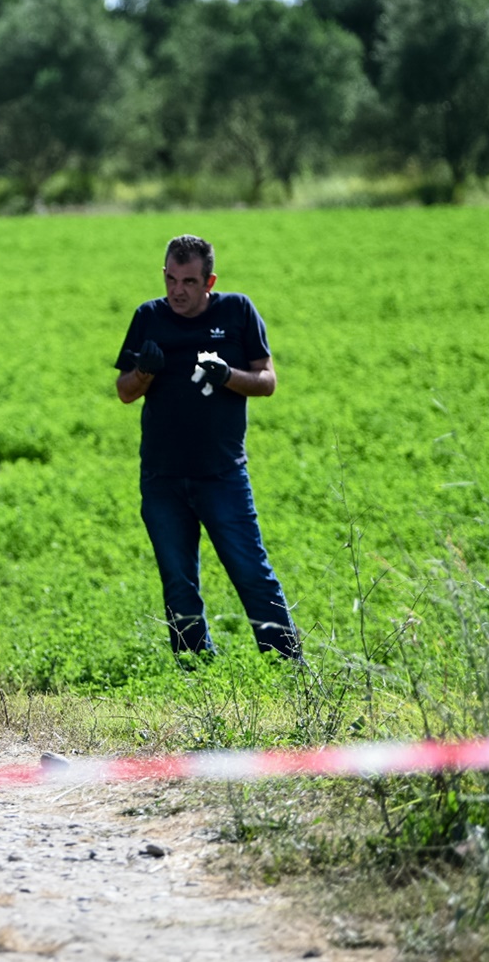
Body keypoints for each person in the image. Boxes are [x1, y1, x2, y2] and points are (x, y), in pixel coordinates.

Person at [113, 234, 301, 660]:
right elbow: (124, 391)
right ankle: (197, 671)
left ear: (209, 281)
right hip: (162, 477)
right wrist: (144, 371)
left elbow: (267, 382)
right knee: (178, 581)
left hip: (222, 475)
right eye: (171, 279)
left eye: (189, 281)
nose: (177, 290)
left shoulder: (237, 312)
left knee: (252, 573)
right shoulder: (148, 317)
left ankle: (289, 667)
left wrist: (226, 375)